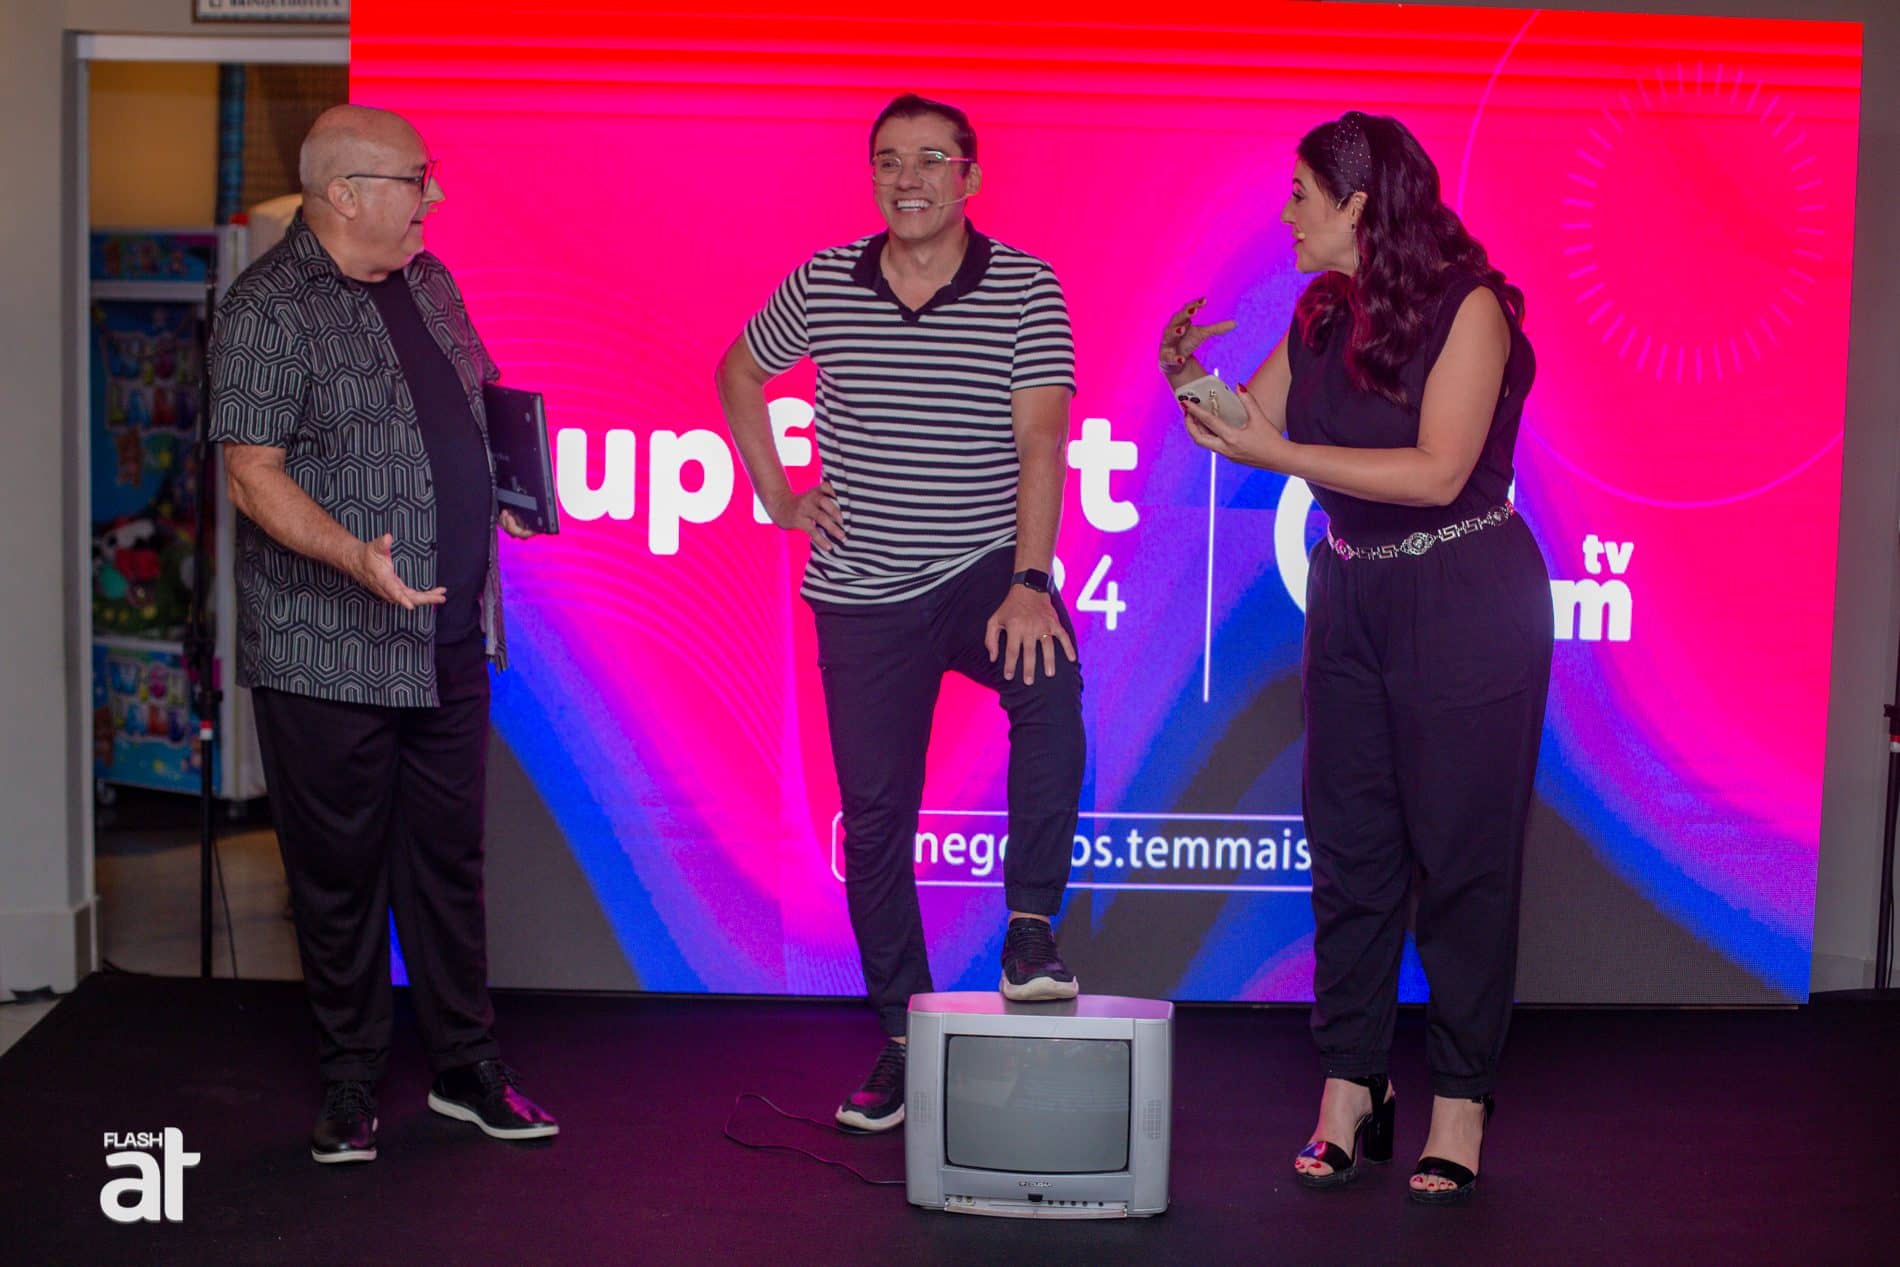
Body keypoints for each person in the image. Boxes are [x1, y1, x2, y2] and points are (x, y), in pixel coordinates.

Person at [1169, 110, 1552, 1204]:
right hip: (1348, 595)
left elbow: (1437, 473)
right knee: (1349, 855)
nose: (1285, 214)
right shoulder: (1322, 308)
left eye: (1301, 195)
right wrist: (1188, 381)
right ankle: (1350, 1088)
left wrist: (1280, 450)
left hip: (1465, 597)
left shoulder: (1470, 307)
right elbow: (1246, 423)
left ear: (1356, 204)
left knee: (1464, 863)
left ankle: (1461, 1102)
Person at [715, 93, 1087, 1133]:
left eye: (930, 159)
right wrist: (777, 493)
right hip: (861, 589)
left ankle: (1028, 932)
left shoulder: (1025, 286)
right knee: (875, 819)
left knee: (1051, 684)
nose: (907, 179)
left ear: (970, 177)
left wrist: (1030, 581)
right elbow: (738, 368)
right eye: (888, 160)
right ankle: (902, 1040)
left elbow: (1042, 441)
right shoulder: (825, 281)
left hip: (982, 571)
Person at [208, 104, 558, 1164]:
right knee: (338, 875)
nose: (434, 195)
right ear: (345, 192)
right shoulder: (266, 306)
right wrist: (356, 557)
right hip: (327, 647)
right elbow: (252, 473)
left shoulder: (431, 281)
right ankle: (351, 1081)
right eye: (417, 177)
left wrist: (510, 488)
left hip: (448, 636)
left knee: (448, 862)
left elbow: (479, 399)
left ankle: (465, 1067)